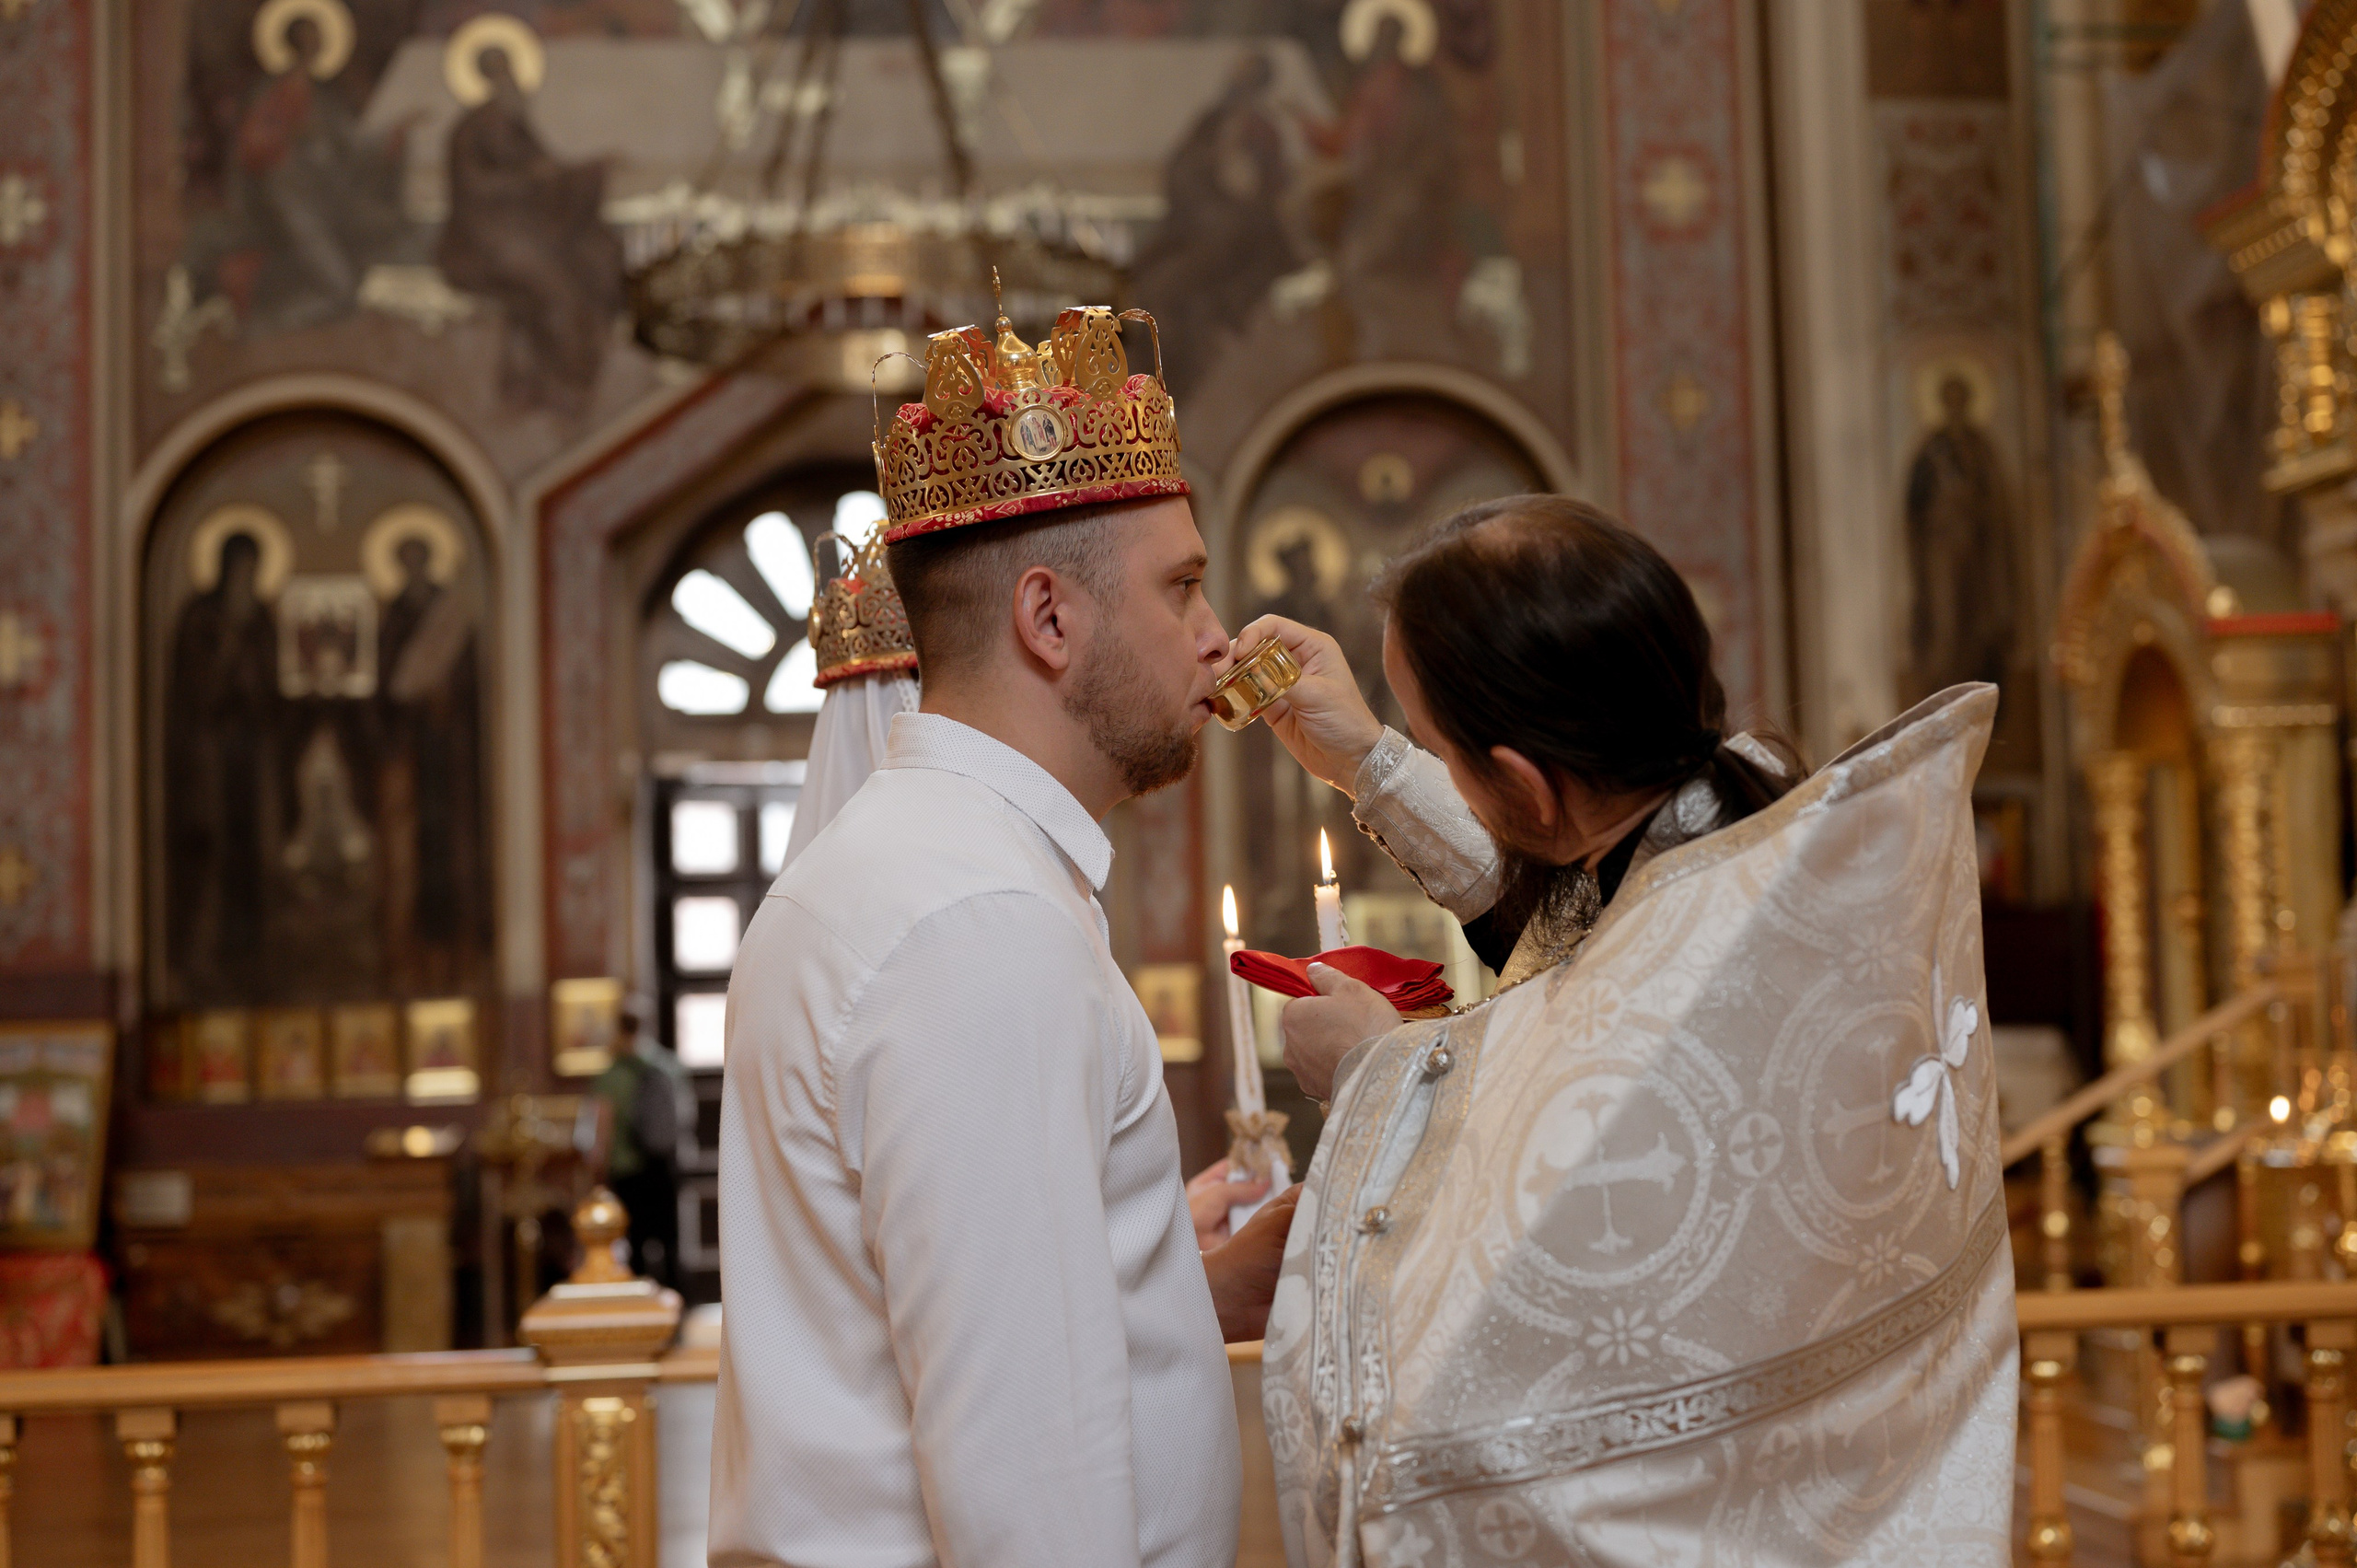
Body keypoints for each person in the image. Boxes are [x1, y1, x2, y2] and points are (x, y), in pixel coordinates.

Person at [1242, 496, 2015, 1566]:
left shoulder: (1699, 946)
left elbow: (1507, 1314)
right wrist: (1373, 761)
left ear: (1518, 780)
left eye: (1437, 746)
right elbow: (1588, 924)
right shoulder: (1757, 840)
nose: (1432, 760)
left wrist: (1377, 1072)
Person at [710, 301, 1295, 1568]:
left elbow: (938, 1332)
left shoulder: (908, 872)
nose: (1216, 633)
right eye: (1182, 584)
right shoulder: (977, 924)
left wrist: (1178, 1289)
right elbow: (1032, 1480)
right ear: (1049, 616)